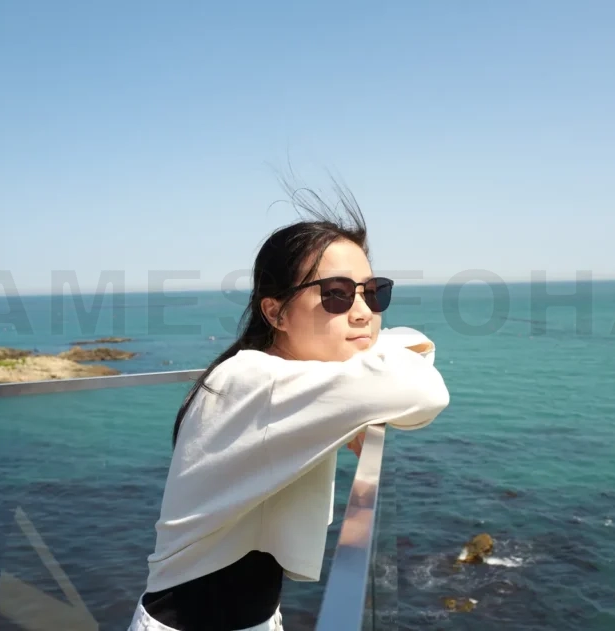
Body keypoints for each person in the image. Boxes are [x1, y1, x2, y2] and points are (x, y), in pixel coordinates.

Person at [128, 185, 450, 631]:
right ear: (275, 313)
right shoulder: (255, 380)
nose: (362, 312)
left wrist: (358, 403)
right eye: (336, 294)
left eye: (372, 292)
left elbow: (414, 356)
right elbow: (424, 390)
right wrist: (363, 399)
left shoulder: (299, 377)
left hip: (256, 618)